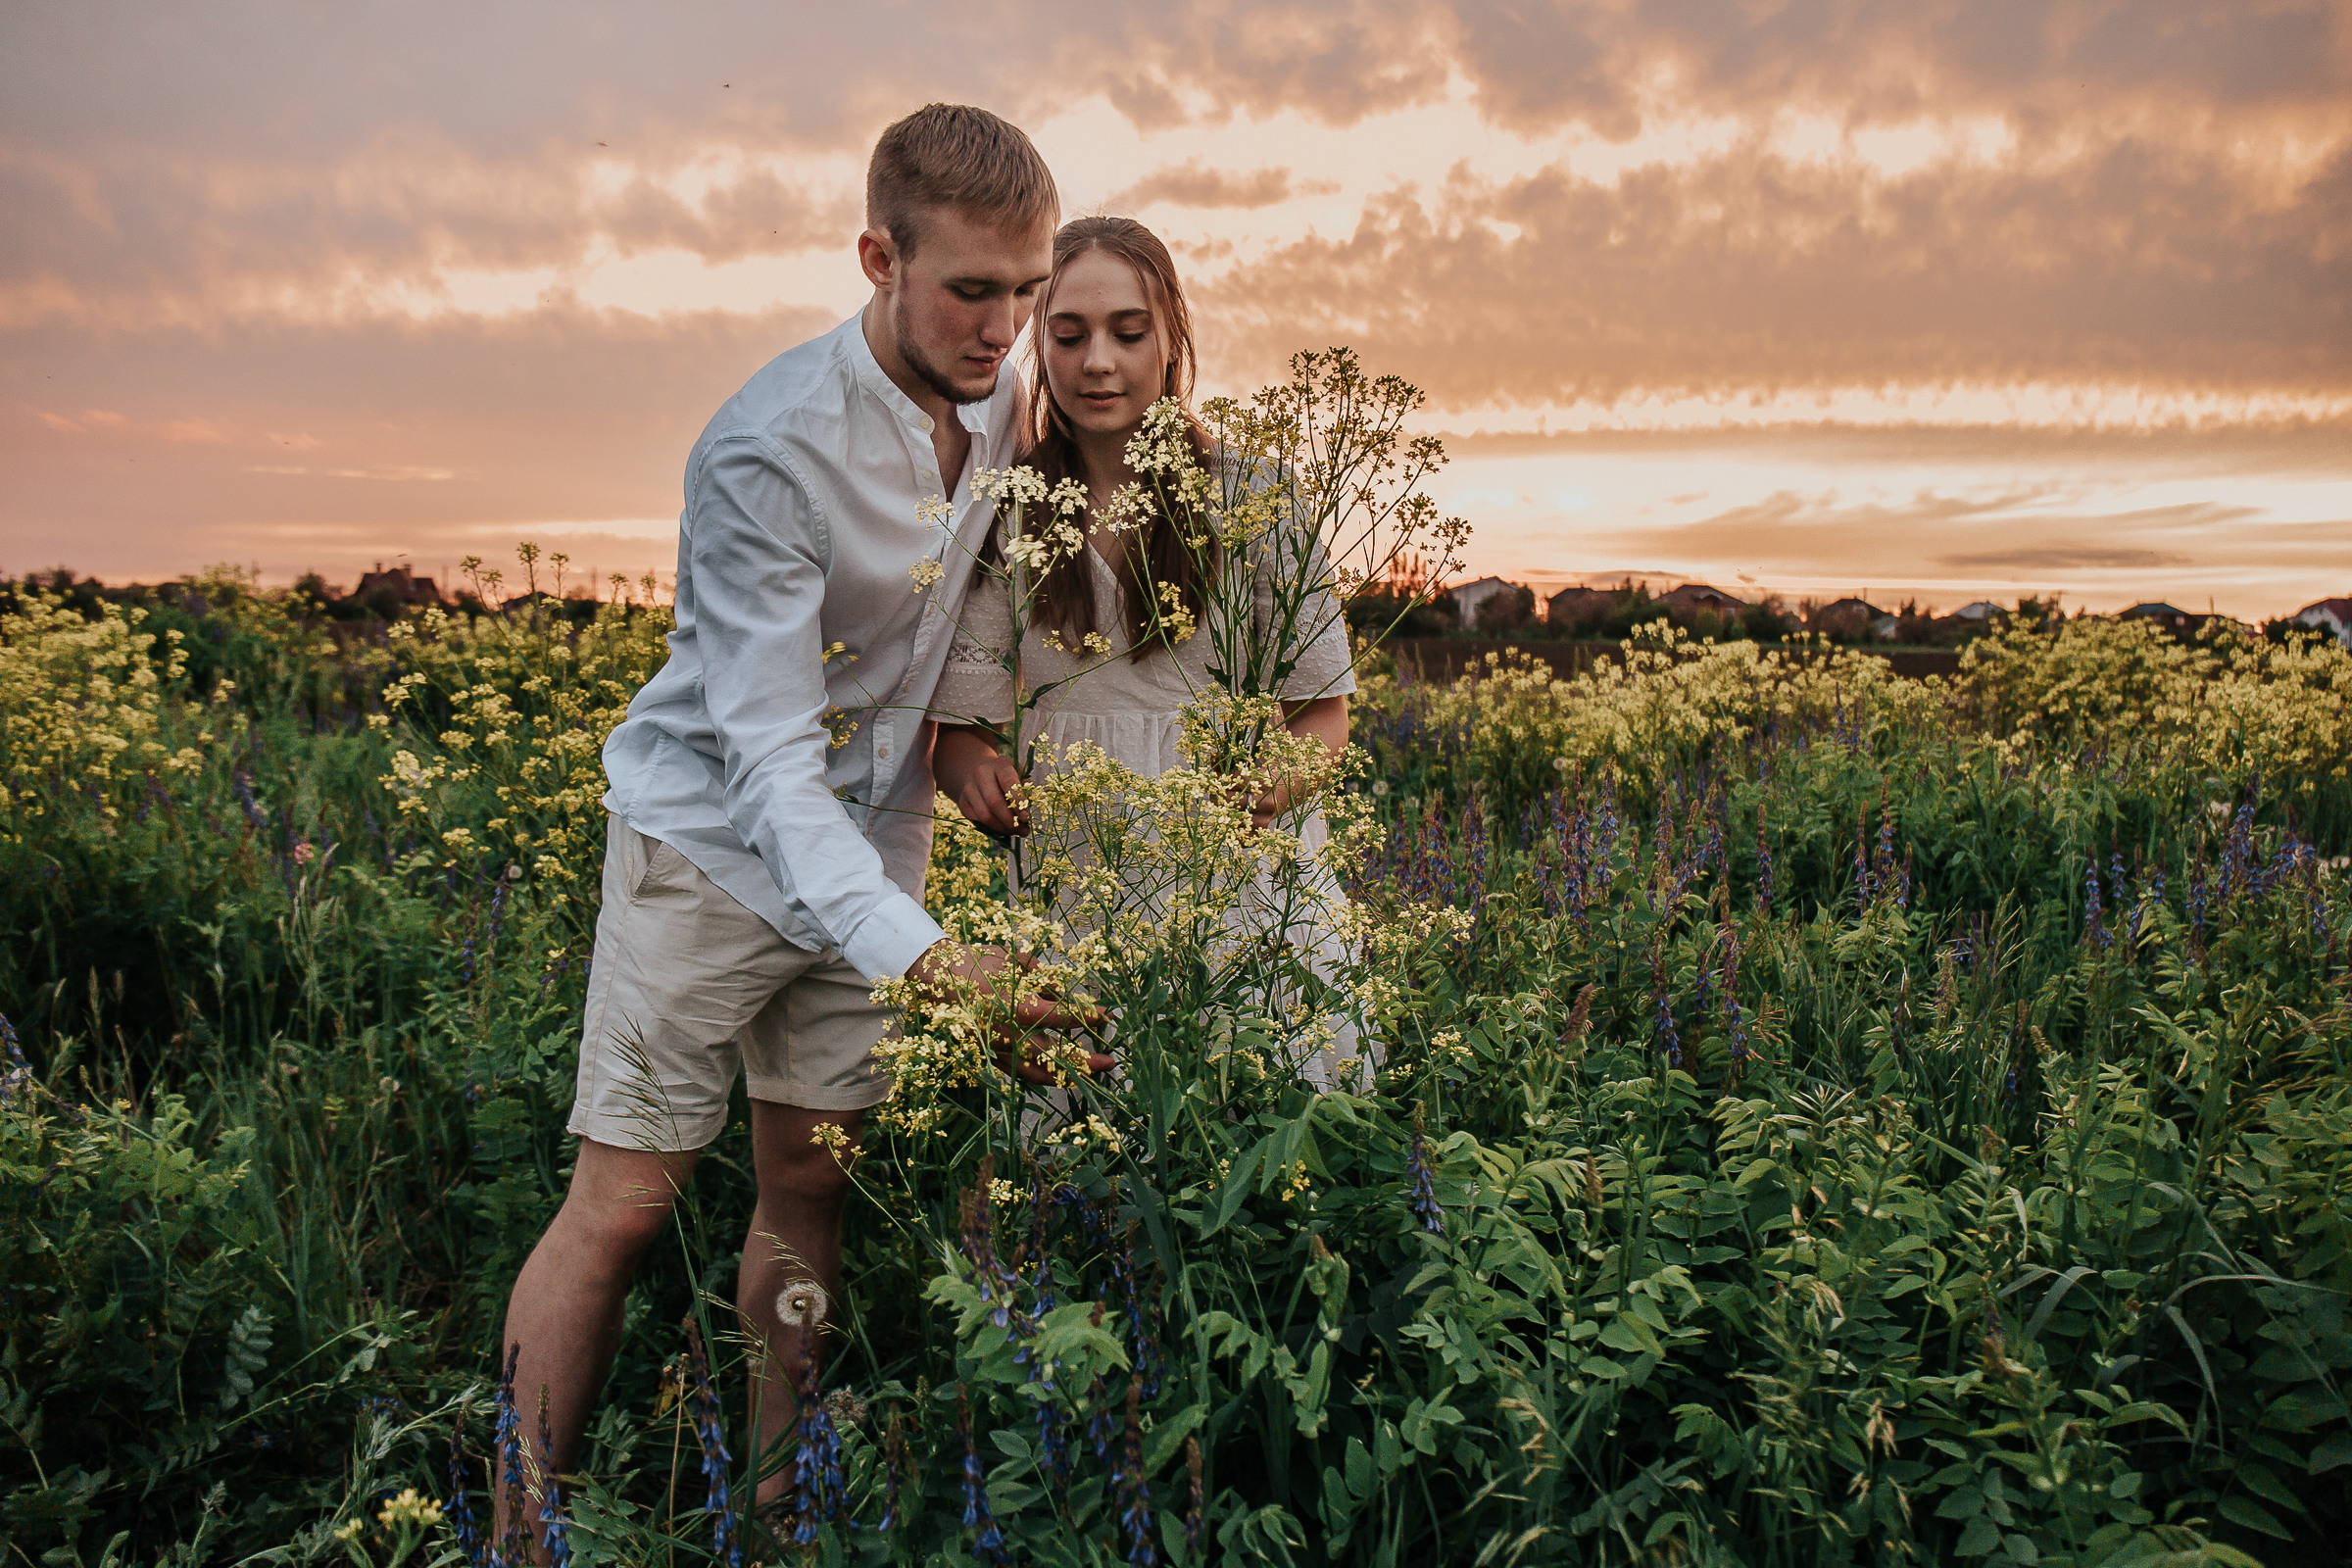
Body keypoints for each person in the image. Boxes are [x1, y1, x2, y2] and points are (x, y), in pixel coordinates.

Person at [495, 104, 1103, 1535]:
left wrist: (960, 726)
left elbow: (989, 597)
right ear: (876, 257)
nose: (1006, 330)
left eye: (1026, 292)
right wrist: (930, 956)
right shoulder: (770, 447)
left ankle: (773, 1519)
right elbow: (770, 765)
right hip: (706, 849)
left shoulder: (1004, 399)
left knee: (807, 1193)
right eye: (971, 291)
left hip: (876, 852)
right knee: (628, 1202)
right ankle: (519, 1533)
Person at [927, 216, 1366, 1090]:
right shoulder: (1008, 509)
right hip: (1081, 879)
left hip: (1239, 872)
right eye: (1069, 334)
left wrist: (1272, 782)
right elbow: (957, 732)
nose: (1099, 362)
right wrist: (972, 768)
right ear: (1038, 348)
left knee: (1259, 1134)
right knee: (1097, 1150)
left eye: (1129, 334)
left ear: (1172, 341)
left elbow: (1324, 716)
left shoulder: (1258, 498)